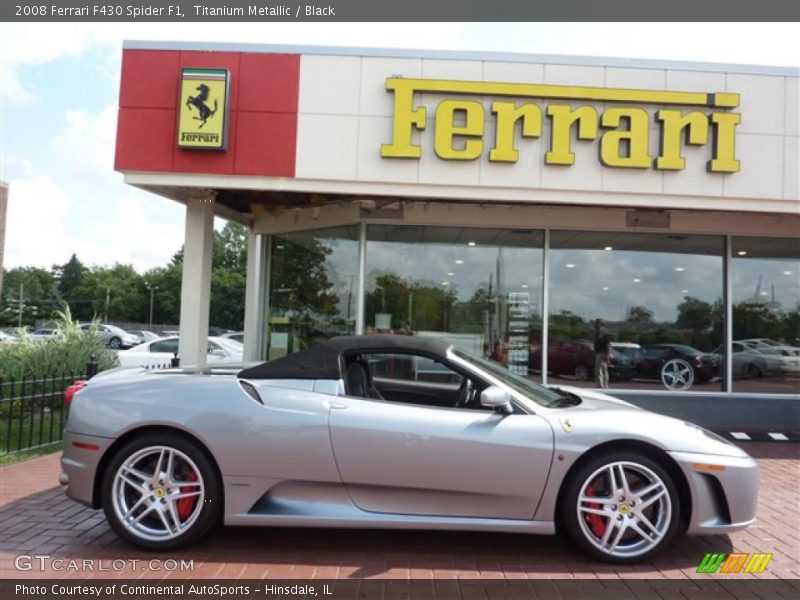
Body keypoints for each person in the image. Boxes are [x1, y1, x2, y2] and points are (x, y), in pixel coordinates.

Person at [593, 319, 611, 389]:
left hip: (601, 352)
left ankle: (600, 385)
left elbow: (607, 344)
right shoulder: (603, 331)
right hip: (603, 352)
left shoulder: (601, 332)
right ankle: (605, 385)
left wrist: (607, 354)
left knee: (598, 369)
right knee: (604, 369)